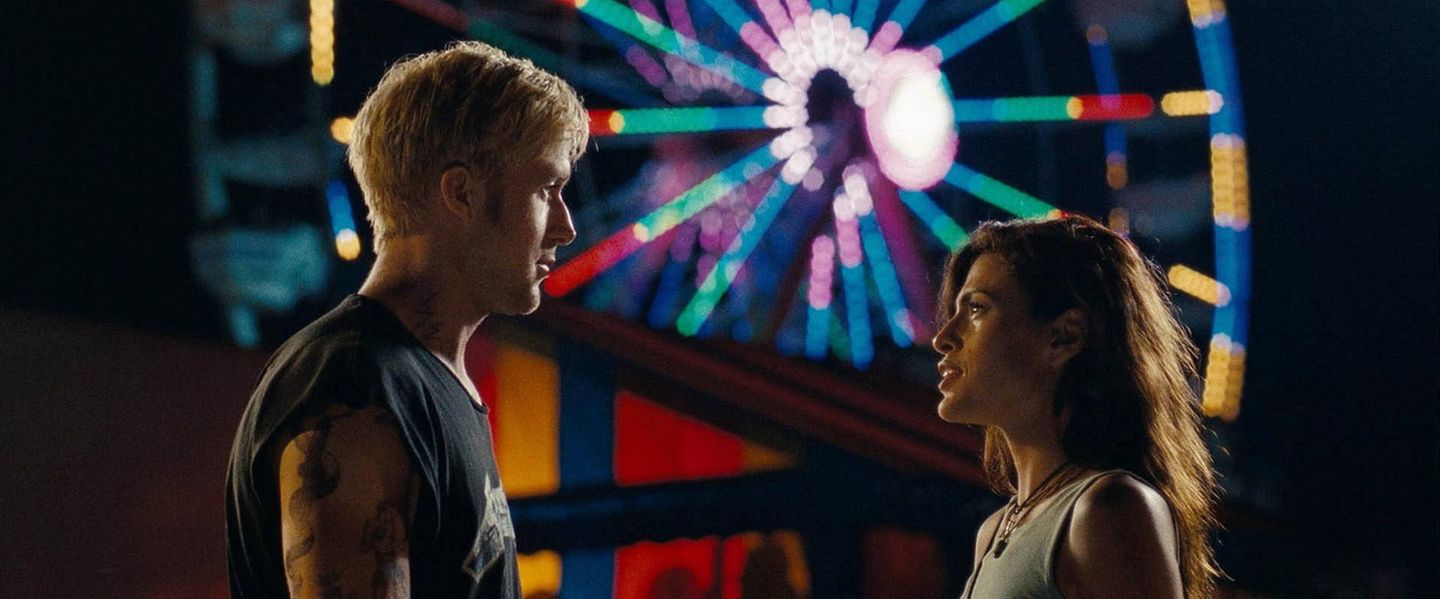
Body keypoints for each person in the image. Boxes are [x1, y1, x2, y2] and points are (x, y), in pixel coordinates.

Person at [225, 41, 587, 598]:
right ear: (461, 193)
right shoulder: (355, 384)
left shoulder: (421, 382)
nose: (566, 227)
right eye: (546, 190)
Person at [931, 215, 1220, 598]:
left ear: (1063, 338)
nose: (943, 337)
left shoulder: (1108, 508)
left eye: (976, 309)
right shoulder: (995, 531)